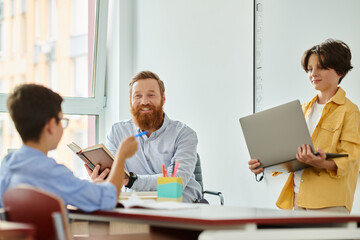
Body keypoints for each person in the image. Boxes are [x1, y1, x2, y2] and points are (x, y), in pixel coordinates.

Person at [248, 39, 360, 213]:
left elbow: (352, 160)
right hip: (297, 198)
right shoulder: (302, 110)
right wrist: (265, 164)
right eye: (309, 69)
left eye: (321, 67)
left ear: (340, 71)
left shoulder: (350, 111)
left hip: (329, 203)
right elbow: (289, 154)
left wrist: (322, 163)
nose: (313, 73)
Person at [0, 84, 138, 212]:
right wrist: (121, 156)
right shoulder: (52, 172)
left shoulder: (8, 164)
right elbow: (108, 198)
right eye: (61, 120)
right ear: (51, 125)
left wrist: (93, 187)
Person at [88, 70, 202, 203]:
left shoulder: (184, 134)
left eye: (151, 95)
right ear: (131, 101)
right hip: (135, 205)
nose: (144, 101)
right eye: (137, 96)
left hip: (180, 206)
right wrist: (103, 177)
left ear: (163, 99)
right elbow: (115, 176)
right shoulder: (117, 132)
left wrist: (131, 180)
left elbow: (176, 182)